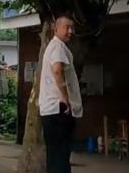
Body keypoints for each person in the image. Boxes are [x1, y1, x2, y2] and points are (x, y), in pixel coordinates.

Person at [39, 16, 83, 173]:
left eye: (72, 28)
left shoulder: (52, 46)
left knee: (55, 155)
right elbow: (57, 70)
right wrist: (66, 98)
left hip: (50, 109)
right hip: (58, 108)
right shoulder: (58, 47)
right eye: (66, 27)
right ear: (55, 29)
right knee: (61, 155)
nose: (70, 31)